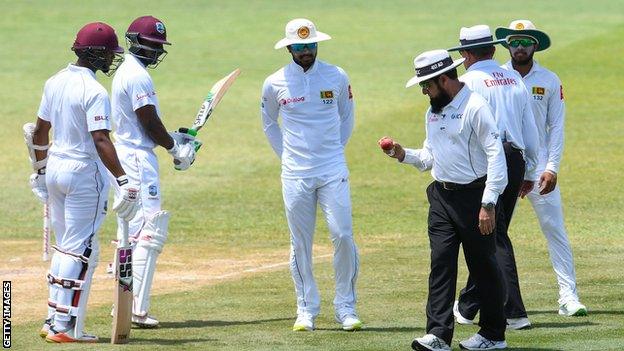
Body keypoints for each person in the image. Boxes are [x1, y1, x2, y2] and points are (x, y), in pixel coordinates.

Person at [383, 49, 508, 351]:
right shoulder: (432, 111)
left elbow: (496, 156)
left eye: (427, 84)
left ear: (444, 79)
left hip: (475, 198)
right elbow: (429, 157)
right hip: (441, 197)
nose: (424, 91)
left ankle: (493, 334)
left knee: (483, 268)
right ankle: (438, 335)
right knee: (440, 263)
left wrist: (488, 203)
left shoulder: (476, 106)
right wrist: (404, 155)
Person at [28, 22, 140, 343]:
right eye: (108, 53)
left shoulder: (54, 81)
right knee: (82, 250)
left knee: (65, 246)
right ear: (94, 54)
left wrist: (39, 171)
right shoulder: (94, 91)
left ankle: (53, 319)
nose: (111, 59)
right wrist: (123, 179)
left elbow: (39, 132)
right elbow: (101, 139)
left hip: (56, 169)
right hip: (83, 174)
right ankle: (65, 327)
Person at [261, 18, 361, 332]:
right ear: (290, 47)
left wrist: (331, 152)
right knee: (300, 243)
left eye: (311, 45)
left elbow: (347, 117)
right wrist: (290, 159)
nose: (307, 51)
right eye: (301, 47)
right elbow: (269, 124)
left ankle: (346, 307)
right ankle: (306, 309)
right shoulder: (274, 82)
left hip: (332, 169)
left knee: (343, 234)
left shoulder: (337, 75)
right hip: (295, 174)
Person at [448, 25, 540, 330]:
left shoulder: (468, 81)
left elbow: (462, 130)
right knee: (489, 233)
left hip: (488, 162)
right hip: (515, 160)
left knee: (494, 235)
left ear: (465, 54)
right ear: (494, 49)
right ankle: (468, 305)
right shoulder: (513, 77)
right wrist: (529, 169)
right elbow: (530, 129)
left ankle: (514, 312)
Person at [110, 15, 197, 328]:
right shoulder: (138, 76)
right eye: (151, 44)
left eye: (159, 45)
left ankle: (122, 304)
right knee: (150, 231)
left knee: (132, 233)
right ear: (134, 41)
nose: (156, 50)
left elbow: (145, 123)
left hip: (130, 152)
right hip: (136, 159)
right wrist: (175, 148)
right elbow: (148, 121)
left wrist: (174, 136)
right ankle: (135, 309)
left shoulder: (129, 71)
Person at [495, 19, 587, 317]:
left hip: (540, 170)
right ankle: (471, 302)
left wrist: (552, 167)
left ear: (535, 45)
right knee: (493, 236)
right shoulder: (496, 77)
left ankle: (568, 297)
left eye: (525, 42)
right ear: (507, 45)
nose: (519, 47)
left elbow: (556, 126)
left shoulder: (549, 80)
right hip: (505, 166)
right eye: (514, 42)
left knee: (554, 229)